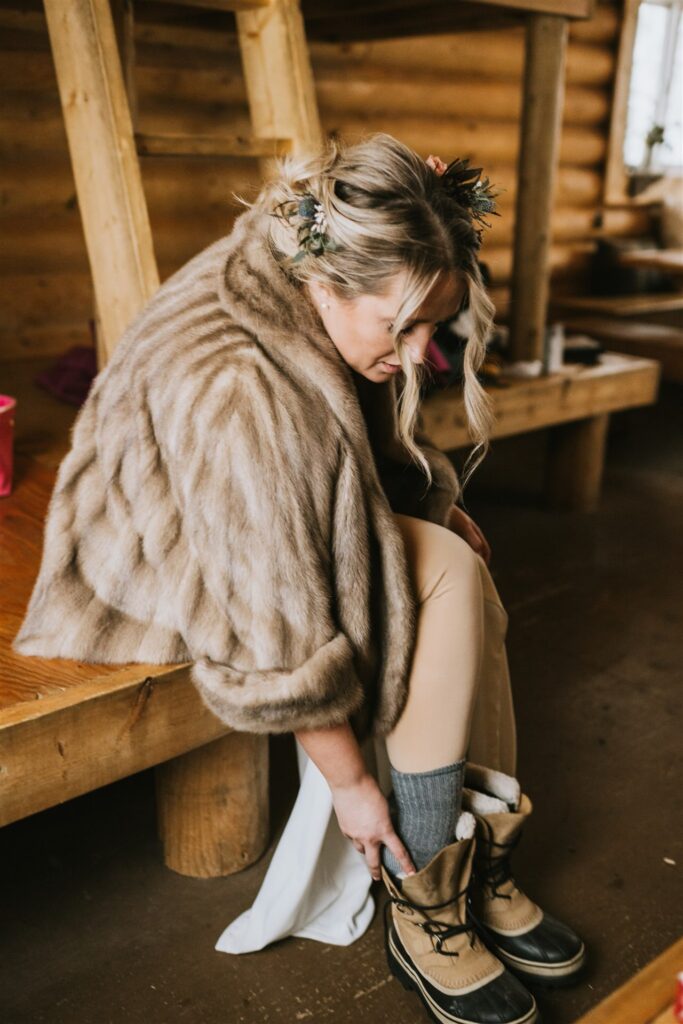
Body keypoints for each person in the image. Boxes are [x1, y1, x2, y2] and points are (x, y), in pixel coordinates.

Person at [14, 132, 585, 1024]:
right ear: (325, 283)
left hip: (267, 506)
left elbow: (345, 433)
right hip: (165, 545)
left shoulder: (318, 273)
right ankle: (421, 896)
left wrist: (424, 494)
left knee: (458, 562)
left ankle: (474, 854)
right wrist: (355, 790)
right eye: (404, 328)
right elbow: (272, 638)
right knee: (431, 572)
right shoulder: (239, 390)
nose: (422, 353)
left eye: (438, 324)